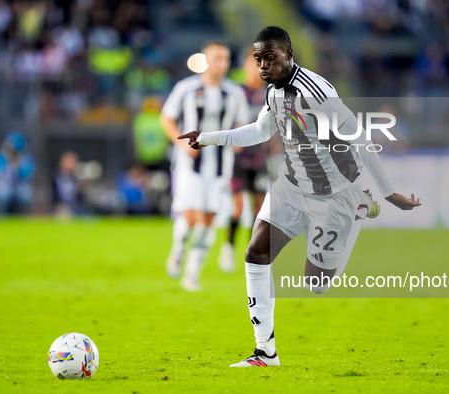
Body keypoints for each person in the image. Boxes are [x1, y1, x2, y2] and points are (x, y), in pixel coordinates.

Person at [179, 26, 421, 367]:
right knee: (255, 254)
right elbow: (260, 131)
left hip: (334, 195)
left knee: (316, 285)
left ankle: (360, 207)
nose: (263, 66)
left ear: (289, 54)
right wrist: (208, 137)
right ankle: (265, 351)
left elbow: (361, 140)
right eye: (258, 59)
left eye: (270, 58)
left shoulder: (317, 92)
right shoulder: (274, 91)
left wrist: (389, 191)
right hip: (291, 188)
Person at [161, 42, 249, 291]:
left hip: (221, 166)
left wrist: (239, 141)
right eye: (217, 58)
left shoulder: (234, 93)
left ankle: (192, 274)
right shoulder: (186, 88)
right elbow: (166, 117)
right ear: (206, 60)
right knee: (190, 217)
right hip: (190, 164)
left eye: (226, 59)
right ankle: (178, 250)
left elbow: (242, 125)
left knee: (209, 220)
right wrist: (180, 145)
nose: (222, 63)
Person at [219, 48, 269, 273]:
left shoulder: (270, 93)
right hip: (238, 158)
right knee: (238, 208)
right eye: (252, 64)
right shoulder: (236, 92)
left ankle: (252, 253)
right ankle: (228, 247)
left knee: (259, 209)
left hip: (260, 158)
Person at [0, 132, 35, 214]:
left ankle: (23, 216)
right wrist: (7, 161)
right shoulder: (1, 156)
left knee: (25, 194)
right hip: (6, 186)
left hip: (19, 186)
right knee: (4, 193)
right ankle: (2, 217)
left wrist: (18, 164)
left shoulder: (25, 158)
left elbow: (26, 174)